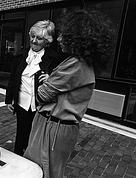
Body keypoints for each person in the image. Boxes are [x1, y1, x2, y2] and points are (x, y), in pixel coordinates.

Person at [23, 9, 115, 178]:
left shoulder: (75, 64)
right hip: (59, 127)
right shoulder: (82, 63)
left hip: (52, 127)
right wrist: (52, 81)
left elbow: (41, 95)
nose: (58, 39)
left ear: (77, 38)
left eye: (64, 35)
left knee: (40, 172)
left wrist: (46, 84)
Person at [5, 20, 61, 156]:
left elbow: (62, 82)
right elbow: (13, 78)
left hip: (42, 107)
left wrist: (51, 79)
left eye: (39, 38)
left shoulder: (54, 59)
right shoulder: (20, 56)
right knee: (21, 136)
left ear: (47, 41)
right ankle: (19, 162)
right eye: (32, 36)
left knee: (38, 139)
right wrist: (9, 99)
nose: (34, 41)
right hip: (22, 105)